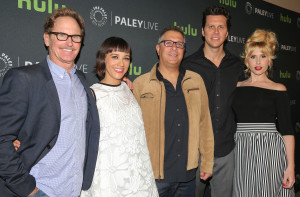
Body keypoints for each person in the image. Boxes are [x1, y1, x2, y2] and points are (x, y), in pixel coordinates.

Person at [0, 8, 100, 197]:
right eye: (61, 35)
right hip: (38, 190)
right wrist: (29, 190)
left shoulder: (83, 82)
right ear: (47, 38)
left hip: (73, 190)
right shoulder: (24, 79)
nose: (69, 42)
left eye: (75, 37)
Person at [133, 26, 214, 197]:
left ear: (184, 50)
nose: (174, 48)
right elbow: (132, 132)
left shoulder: (196, 81)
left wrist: (207, 163)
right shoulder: (141, 84)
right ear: (158, 48)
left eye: (179, 44)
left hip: (188, 177)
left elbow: (204, 124)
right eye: (168, 43)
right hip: (153, 177)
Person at [80, 37, 158, 197]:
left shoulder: (129, 89)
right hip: (109, 180)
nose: (121, 63)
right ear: (103, 59)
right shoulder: (93, 94)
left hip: (139, 177)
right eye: (115, 56)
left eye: (126, 58)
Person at [181, 5, 244, 197]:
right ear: (202, 31)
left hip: (226, 150)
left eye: (221, 27)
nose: (215, 32)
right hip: (194, 152)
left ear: (227, 33)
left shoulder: (239, 66)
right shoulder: (187, 65)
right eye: (210, 27)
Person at [232, 29, 295, 197]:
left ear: (270, 60)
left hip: (269, 150)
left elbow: (287, 131)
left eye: (263, 56)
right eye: (253, 56)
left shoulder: (278, 89)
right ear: (247, 60)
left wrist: (290, 166)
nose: (258, 61)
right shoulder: (237, 87)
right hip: (241, 149)